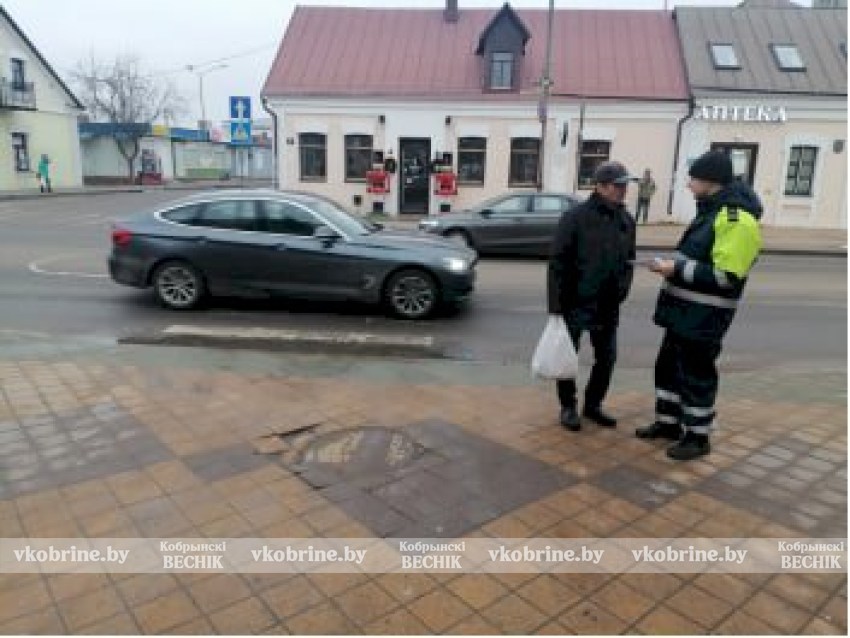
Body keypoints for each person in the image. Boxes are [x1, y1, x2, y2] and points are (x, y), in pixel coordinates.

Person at [636, 150, 762, 460]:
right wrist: (670, 264)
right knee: (668, 369)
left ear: (710, 181)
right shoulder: (710, 211)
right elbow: (696, 257)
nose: (688, 185)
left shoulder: (735, 218)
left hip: (704, 318)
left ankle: (697, 436)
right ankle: (668, 424)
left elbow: (726, 277)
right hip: (683, 314)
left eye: (693, 179)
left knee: (696, 376)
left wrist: (674, 269)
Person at [547, 161, 637, 431]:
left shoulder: (626, 221)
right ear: (599, 186)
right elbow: (557, 263)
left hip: (608, 304)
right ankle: (568, 406)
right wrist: (556, 305)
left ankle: (593, 405)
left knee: (607, 358)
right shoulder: (575, 218)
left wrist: (622, 290)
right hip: (576, 302)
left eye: (624, 185)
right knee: (568, 358)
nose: (623, 190)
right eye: (617, 185)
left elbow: (628, 261)